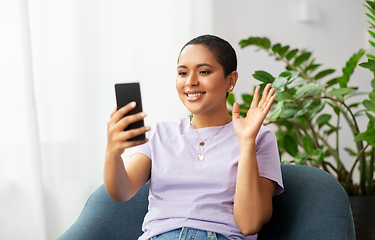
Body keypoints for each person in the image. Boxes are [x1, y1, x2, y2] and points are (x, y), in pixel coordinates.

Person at [104, 34, 283, 240]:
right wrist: (113, 152)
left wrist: (246, 141)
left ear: (230, 80)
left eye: (204, 71)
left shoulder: (259, 137)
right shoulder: (159, 134)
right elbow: (121, 192)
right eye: (182, 73)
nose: (190, 82)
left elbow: (250, 224)